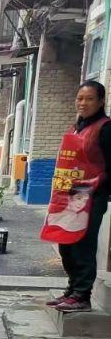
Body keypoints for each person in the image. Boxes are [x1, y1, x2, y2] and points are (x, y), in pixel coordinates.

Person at [43, 80, 110, 313]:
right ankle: (72, 290)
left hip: (90, 197)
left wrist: (98, 188)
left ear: (100, 102)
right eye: (80, 98)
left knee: (83, 245)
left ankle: (82, 296)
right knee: (66, 243)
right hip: (68, 195)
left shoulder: (105, 128)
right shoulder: (77, 127)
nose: (83, 103)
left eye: (89, 99)